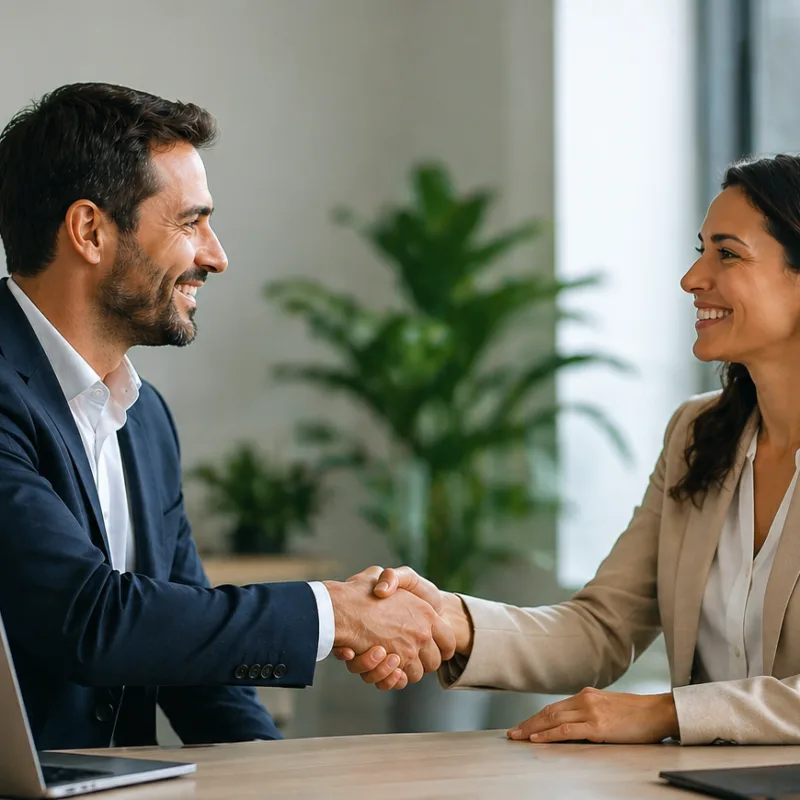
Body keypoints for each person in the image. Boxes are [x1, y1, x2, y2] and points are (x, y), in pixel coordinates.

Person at [0, 82, 454, 751]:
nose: (216, 255)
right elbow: (87, 619)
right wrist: (333, 614)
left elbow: (197, 675)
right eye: (190, 222)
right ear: (90, 231)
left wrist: (274, 781)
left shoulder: (145, 419)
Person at [342, 153, 800, 746]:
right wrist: (452, 621)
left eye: (728, 253)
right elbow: (604, 628)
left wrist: (668, 713)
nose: (692, 278)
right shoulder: (696, 435)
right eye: (700, 249)